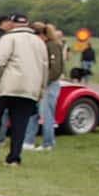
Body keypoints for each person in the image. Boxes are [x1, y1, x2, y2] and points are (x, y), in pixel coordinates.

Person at [0, 14, 45, 166]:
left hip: (6, 86)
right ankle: (13, 158)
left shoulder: (8, 39)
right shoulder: (39, 42)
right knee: (20, 124)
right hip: (29, 89)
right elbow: (44, 68)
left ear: (12, 24)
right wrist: (40, 89)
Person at [25, 22, 67, 152]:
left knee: (46, 114)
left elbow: (55, 69)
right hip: (38, 84)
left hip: (48, 85)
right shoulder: (42, 45)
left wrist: (43, 82)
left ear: (41, 34)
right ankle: (28, 141)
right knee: (32, 113)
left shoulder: (52, 46)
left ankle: (48, 143)